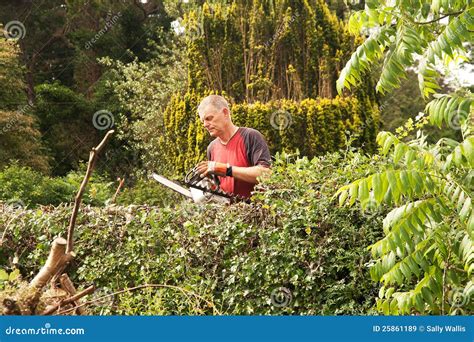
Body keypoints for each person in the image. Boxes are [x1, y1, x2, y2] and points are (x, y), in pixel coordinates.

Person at [195, 95, 271, 198]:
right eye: (203, 121)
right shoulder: (211, 148)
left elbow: (266, 174)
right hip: (228, 213)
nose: (205, 124)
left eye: (209, 118)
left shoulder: (250, 137)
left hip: (256, 211)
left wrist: (226, 169)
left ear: (225, 113)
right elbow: (220, 189)